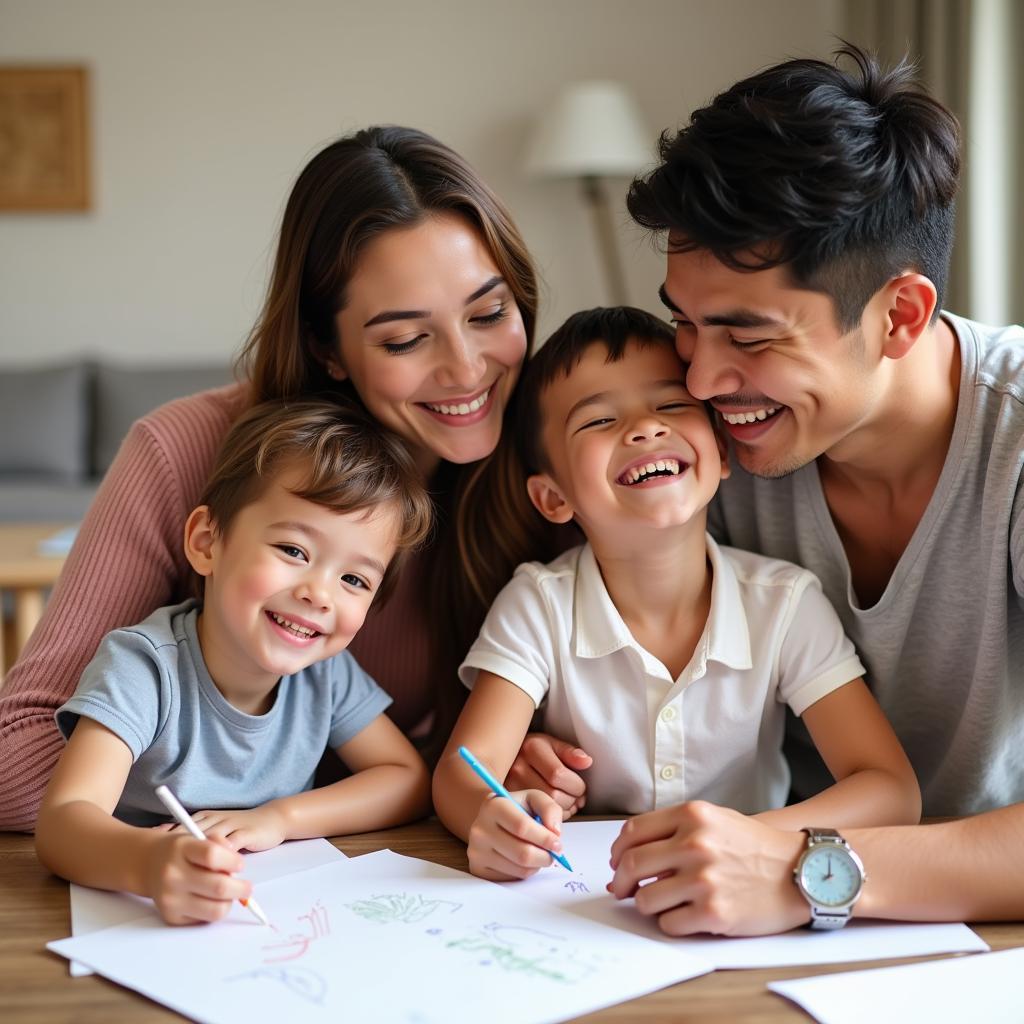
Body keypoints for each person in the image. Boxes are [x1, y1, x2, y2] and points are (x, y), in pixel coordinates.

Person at [509, 45, 1024, 935]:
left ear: (899, 314)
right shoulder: (706, 450)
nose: (701, 382)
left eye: (749, 336)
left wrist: (804, 870)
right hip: (705, 918)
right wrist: (541, 758)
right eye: (684, 321)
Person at [0, 125, 550, 832]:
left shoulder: (553, 453)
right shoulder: (183, 451)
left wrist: (503, 762)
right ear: (328, 347)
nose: (468, 368)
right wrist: (247, 780)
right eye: (407, 339)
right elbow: (16, 767)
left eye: (490, 313)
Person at [433, 307, 920, 885]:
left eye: (670, 406)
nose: (643, 429)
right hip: (590, 895)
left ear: (720, 450)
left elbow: (890, 790)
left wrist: (756, 842)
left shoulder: (784, 603)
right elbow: (464, 776)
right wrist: (493, 819)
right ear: (554, 498)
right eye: (598, 421)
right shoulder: (538, 603)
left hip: (752, 897)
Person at [35, 399, 433, 924]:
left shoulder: (325, 674)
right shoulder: (144, 667)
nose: (320, 594)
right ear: (207, 543)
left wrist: (281, 818)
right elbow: (63, 822)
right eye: (294, 550)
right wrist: (152, 864)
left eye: (354, 580)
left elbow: (405, 778)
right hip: (138, 918)